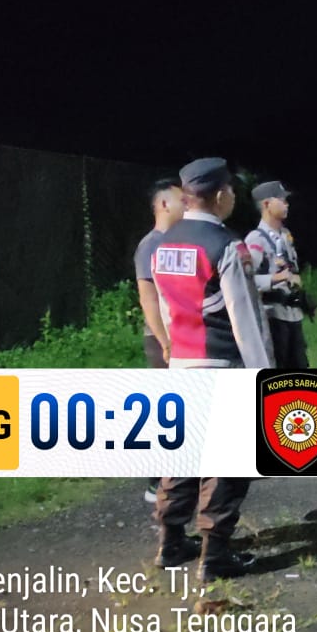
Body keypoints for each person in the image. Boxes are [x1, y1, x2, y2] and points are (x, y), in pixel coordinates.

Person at [151, 157, 273, 582]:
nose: (233, 198)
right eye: (232, 191)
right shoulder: (227, 246)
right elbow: (246, 320)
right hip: (221, 366)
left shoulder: (164, 243)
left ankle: (170, 542)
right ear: (220, 195)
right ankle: (215, 553)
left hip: (182, 366)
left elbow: (167, 310)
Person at [133, 178, 184, 504]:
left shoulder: (180, 242)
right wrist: (165, 340)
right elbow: (148, 298)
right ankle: (157, 484)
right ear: (164, 204)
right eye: (181, 199)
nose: (187, 204)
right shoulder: (151, 245)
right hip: (162, 339)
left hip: (182, 338)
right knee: (169, 411)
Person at [246, 180, 311, 368]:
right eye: (282, 200)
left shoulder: (285, 235)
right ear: (267, 204)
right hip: (273, 318)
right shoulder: (256, 239)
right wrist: (275, 279)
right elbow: (246, 280)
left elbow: (291, 269)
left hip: (293, 315)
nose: (287, 204)